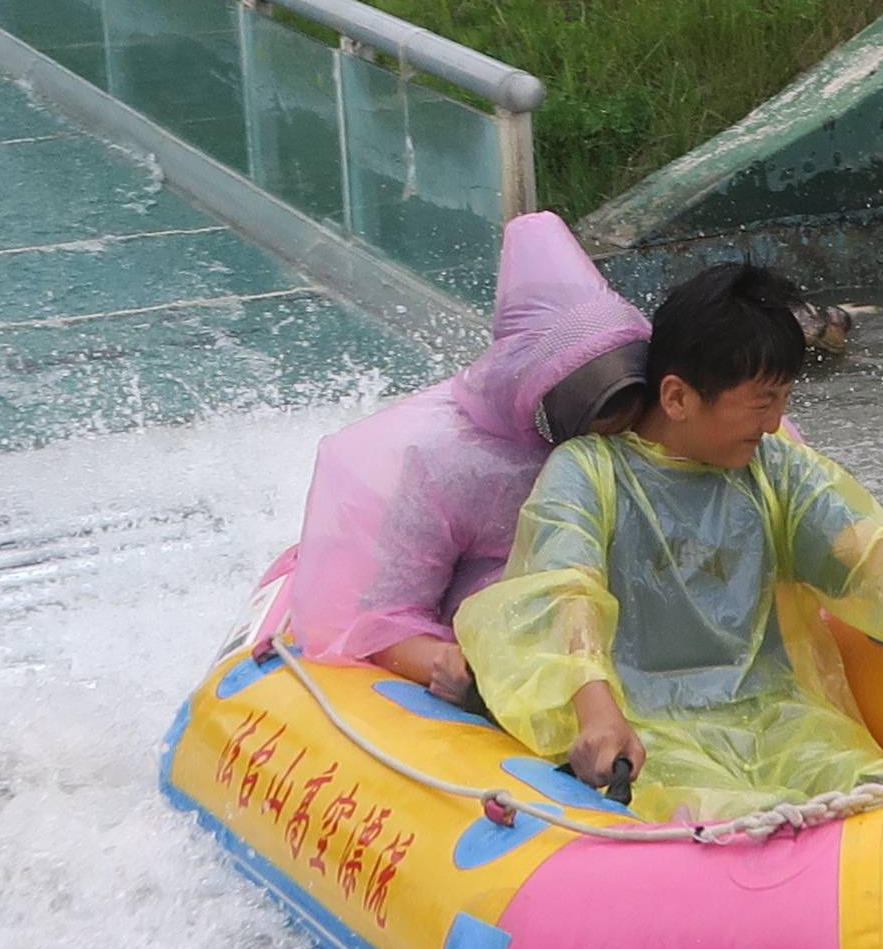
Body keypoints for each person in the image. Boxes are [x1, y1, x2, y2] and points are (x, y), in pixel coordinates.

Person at [457, 260, 883, 821]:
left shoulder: (775, 469)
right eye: (762, 402)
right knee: (740, 815)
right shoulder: (589, 471)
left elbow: (877, 555)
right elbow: (565, 594)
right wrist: (598, 712)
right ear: (677, 396)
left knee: (846, 776)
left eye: (783, 399)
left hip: (780, 713)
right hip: (649, 726)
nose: (775, 422)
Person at [257, 213, 646, 699]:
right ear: (542, 400)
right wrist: (443, 661)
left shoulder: (657, 434)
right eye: (602, 414)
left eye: (634, 409)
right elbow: (377, 617)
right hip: (478, 632)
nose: (619, 430)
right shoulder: (447, 461)